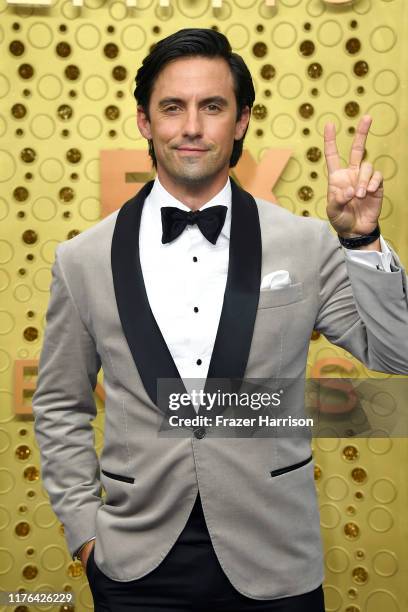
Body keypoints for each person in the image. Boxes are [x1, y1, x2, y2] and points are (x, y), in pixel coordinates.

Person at [32, 28, 408, 612]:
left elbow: (396, 353)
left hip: (275, 554)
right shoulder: (83, 259)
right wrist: (85, 534)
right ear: (144, 121)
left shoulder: (307, 243)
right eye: (172, 107)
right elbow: (59, 403)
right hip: (135, 562)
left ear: (240, 122)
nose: (191, 126)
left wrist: (360, 240)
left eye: (212, 107)